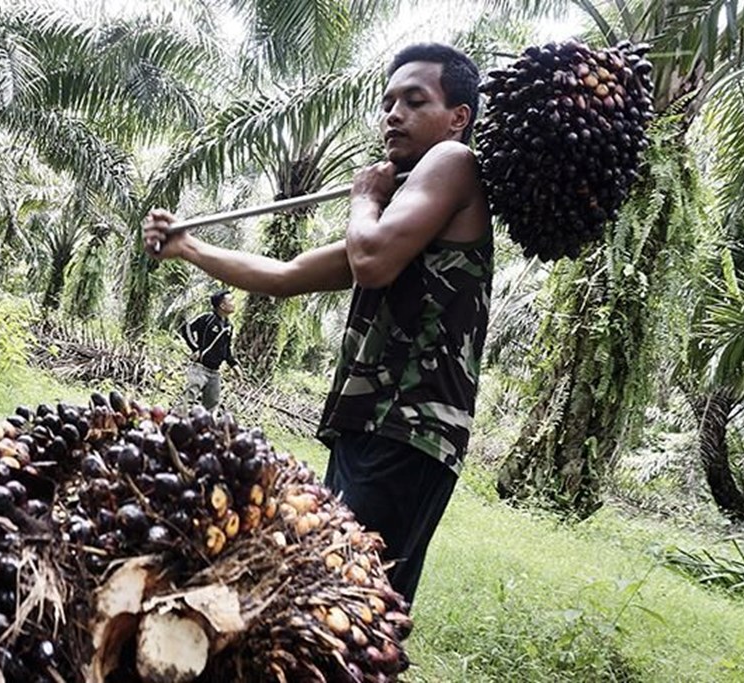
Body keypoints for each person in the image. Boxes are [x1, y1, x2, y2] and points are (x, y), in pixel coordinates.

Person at [142, 43, 493, 609]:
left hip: (407, 428)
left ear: (459, 118)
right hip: (370, 424)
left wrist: (364, 196)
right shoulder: (402, 213)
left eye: (414, 101)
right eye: (388, 103)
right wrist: (190, 247)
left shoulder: (452, 161)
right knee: (331, 592)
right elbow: (286, 275)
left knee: (351, 601)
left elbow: (371, 259)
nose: (393, 114)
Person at [178, 289, 238, 412]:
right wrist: (195, 348)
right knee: (188, 397)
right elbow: (187, 328)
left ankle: (205, 423)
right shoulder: (207, 318)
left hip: (215, 372)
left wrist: (233, 364)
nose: (234, 303)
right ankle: (176, 418)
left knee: (212, 404)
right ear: (222, 305)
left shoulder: (229, 326)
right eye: (231, 300)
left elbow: (226, 349)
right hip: (200, 368)